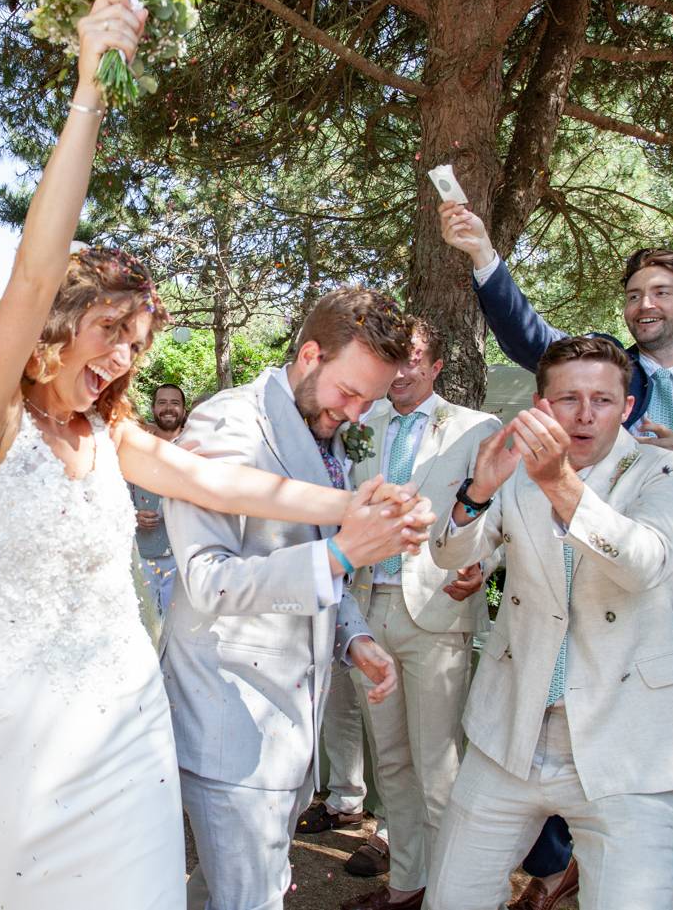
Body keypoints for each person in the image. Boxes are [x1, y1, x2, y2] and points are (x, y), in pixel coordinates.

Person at [0, 0, 430, 909]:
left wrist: (350, 507)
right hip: (21, 728)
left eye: (136, 342)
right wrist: (90, 91)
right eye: (109, 330)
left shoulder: (108, 434)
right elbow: (33, 269)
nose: (121, 356)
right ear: (59, 322)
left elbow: (217, 480)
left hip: (131, 721)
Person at [439, 201, 673, 910]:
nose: (644, 303)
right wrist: (482, 256)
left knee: (646, 796)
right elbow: (534, 339)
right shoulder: (599, 378)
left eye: (661, 292)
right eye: (633, 293)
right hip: (529, 675)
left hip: (666, 605)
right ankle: (556, 864)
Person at [423, 336, 673, 910]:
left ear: (628, 406)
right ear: (542, 405)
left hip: (627, 739)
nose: (586, 414)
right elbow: (450, 553)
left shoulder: (671, 469)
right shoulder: (518, 471)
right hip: (510, 726)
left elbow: (643, 563)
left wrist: (558, 482)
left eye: (603, 399)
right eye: (569, 398)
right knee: (451, 897)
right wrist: (479, 491)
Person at [165, 285, 428, 910]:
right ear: (310, 355)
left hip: (292, 723)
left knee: (220, 893)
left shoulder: (324, 425)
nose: (356, 414)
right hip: (230, 717)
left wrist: (354, 637)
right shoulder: (229, 422)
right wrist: (343, 555)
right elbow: (209, 579)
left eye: (369, 401)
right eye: (350, 393)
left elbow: (317, 552)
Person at [327, 318, 501, 910]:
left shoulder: (477, 428)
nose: (401, 370)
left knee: (437, 765)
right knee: (391, 762)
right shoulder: (358, 425)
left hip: (437, 611)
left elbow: (500, 515)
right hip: (365, 609)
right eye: (394, 357)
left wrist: (485, 564)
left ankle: (453, 896)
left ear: (436, 366)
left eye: (414, 358)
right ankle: (407, 886)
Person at [128, 382, 186, 615]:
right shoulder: (137, 448)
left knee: (180, 625)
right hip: (145, 553)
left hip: (184, 555)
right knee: (146, 621)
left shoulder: (197, 447)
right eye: (162, 403)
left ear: (184, 410)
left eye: (175, 403)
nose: (168, 408)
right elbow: (119, 491)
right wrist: (133, 515)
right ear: (153, 409)